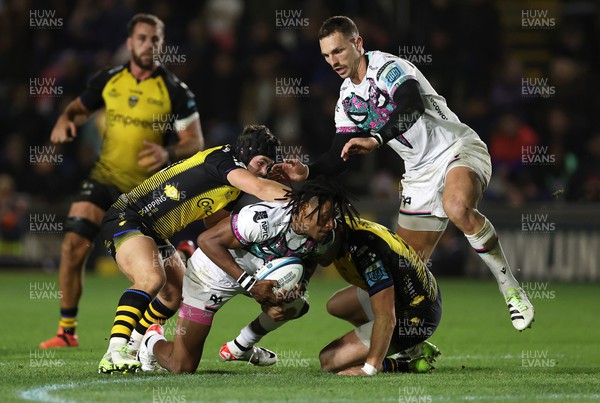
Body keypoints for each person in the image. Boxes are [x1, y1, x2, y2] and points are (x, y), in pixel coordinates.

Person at [273, 16, 534, 331]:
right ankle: (414, 343)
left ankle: (511, 289)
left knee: (456, 206)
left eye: (339, 51)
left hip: (457, 148)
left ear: (358, 43)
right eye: (327, 56)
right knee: (405, 274)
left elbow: (409, 105)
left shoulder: (388, 68)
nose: (333, 61)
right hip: (419, 176)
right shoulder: (346, 100)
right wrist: (308, 170)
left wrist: (376, 138)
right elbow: (338, 156)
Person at [40, 13, 204, 349]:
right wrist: (63, 120)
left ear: (161, 44)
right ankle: (67, 332)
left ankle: (145, 327)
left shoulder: (174, 90)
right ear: (130, 43)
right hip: (104, 178)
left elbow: (195, 141)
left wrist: (168, 153)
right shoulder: (109, 80)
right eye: (142, 38)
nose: (148, 45)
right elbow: (77, 109)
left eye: (155, 39)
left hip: (145, 193)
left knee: (159, 277)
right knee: (73, 245)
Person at [97, 125, 292, 374]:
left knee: (173, 295)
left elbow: (213, 223)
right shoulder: (222, 160)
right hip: (128, 217)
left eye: (268, 167)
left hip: (154, 232)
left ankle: (135, 345)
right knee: (151, 278)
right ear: (244, 152)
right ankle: (115, 350)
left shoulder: (232, 186)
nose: (263, 171)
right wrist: (302, 201)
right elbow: (261, 188)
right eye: (261, 163)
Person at [137, 177, 358, 374]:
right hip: (211, 274)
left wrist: (302, 282)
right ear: (302, 208)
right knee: (182, 366)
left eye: (334, 217)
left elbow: (312, 258)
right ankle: (151, 340)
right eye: (326, 217)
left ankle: (240, 347)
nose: (330, 224)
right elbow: (207, 241)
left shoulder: (324, 236)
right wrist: (250, 284)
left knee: (296, 304)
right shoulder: (262, 220)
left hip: (257, 278)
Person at [317, 216, 442, 376]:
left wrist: (369, 369)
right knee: (336, 305)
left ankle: (402, 364)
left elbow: (386, 316)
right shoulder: (344, 228)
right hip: (410, 295)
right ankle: (413, 347)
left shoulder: (365, 249)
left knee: (328, 360)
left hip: (415, 315)